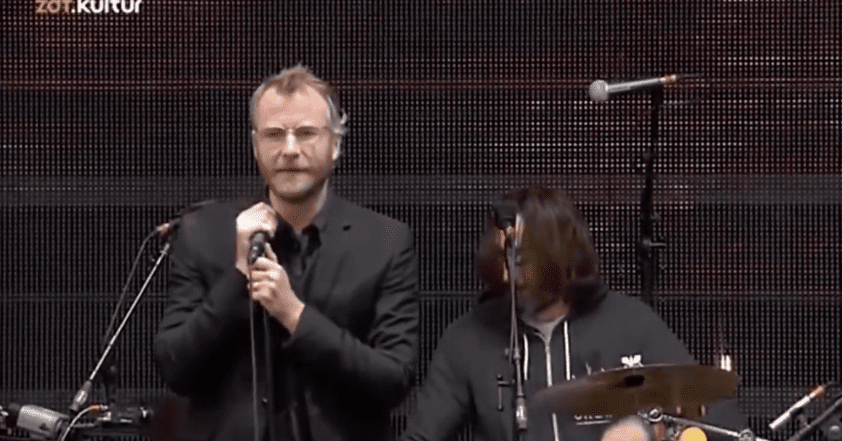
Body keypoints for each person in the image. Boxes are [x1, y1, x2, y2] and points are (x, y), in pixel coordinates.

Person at [154, 64, 419, 441]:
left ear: (336, 144)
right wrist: (238, 279)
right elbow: (174, 367)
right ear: (255, 146)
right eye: (274, 135)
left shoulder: (385, 241)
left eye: (306, 133)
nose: (290, 149)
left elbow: (394, 379)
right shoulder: (202, 232)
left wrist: (294, 314)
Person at [401, 187, 745, 441]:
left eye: (524, 261)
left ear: (559, 255)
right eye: (503, 259)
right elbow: (422, 435)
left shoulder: (630, 323)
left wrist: (646, 429)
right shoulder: (468, 337)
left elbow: (722, 416)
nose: (508, 276)